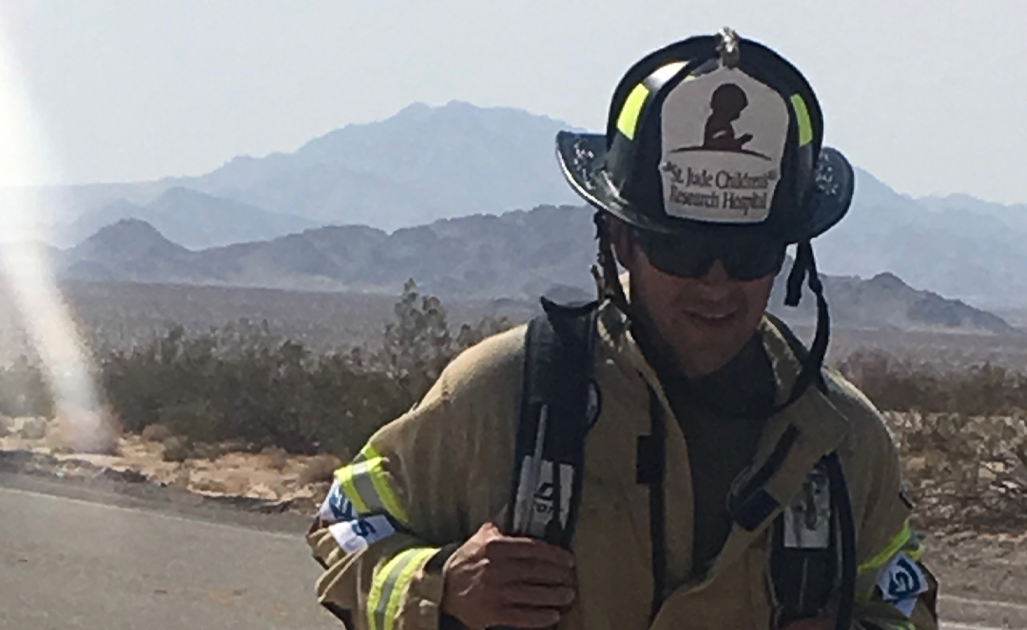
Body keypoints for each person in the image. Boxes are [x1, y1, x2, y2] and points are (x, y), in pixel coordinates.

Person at [307, 30, 938, 630]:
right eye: (682, 251)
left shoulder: (841, 440)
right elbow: (345, 521)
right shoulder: (505, 395)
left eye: (749, 255)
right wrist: (442, 585)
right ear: (620, 241)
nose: (715, 284)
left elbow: (903, 600)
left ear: (789, 260)